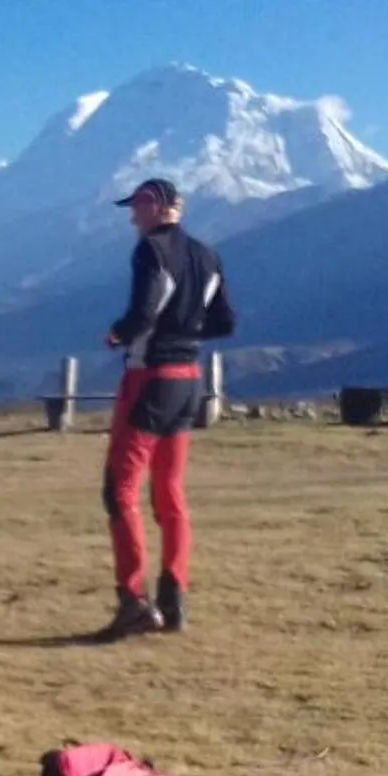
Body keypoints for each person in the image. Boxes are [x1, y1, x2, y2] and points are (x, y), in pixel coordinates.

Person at [97, 178, 235, 640]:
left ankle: (133, 599)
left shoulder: (151, 251)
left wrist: (120, 333)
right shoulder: (208, 255)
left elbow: (145, 310)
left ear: (154, 206)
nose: (132, 217)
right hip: (188, 382)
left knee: (120, 489)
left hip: (150, 378)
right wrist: (185, 336)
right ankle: (175, 595)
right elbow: (225, 321)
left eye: (136, 207)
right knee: (169, 491)